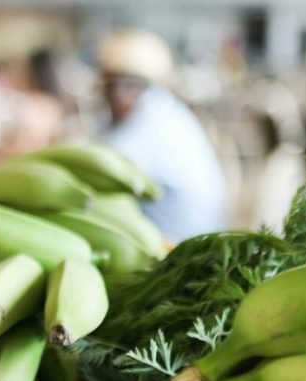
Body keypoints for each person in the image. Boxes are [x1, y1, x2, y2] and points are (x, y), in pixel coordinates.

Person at [97, 30, 228, 242]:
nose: (111, 96)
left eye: (122, 85)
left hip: (183, 244)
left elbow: (102, 170)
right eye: (108, 86)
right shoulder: (165, 109)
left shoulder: (151, 118)